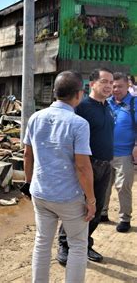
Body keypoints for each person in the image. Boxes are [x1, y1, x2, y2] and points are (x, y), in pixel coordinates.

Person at [24, 71, 95, 283]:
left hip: (40, 193)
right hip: (68, 197)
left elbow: (28, 155)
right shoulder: (79, 123)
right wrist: (90, 200)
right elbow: (83, 167)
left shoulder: (35, 118)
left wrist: (29, 184)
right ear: (79, 94)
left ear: (55, 92)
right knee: (77, 245)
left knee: (42, 242)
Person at [57, 68, 114, 265]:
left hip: (106, 166)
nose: (109, 86)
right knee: (77, 208)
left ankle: (86, 243)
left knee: (96, 210)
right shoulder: (81, 107)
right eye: (105, 81)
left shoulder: (108, 106)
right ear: (92, 84)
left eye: (111, 83)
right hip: (86, 166)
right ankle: (64, 245)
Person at [101, 72, 135, 232]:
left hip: (125, 154)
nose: (116, 89)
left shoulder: (134, 104)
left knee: (123, 187)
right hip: (105, 153)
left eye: (120, 86)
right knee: (105, 185)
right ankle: (103, 212)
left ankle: (125, 219)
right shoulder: (106, 103)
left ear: (128, 86)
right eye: (113, 86)